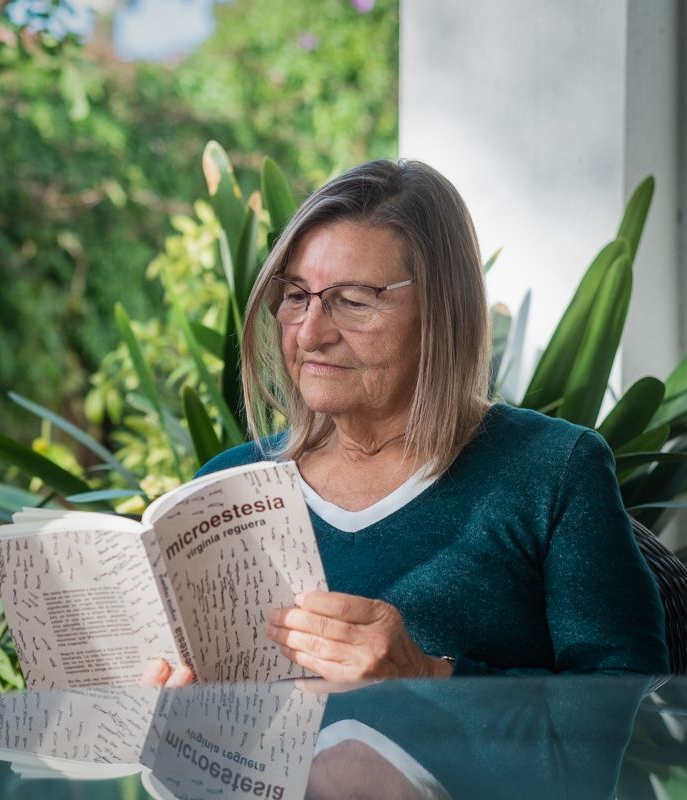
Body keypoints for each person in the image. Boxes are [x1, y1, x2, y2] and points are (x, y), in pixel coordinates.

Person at [144, 159, 668, 687]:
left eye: (351, 301)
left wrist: (428, 677)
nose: (308, 335)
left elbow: (630, 703)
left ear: (442, 312)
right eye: (297, 296)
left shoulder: (554, 470)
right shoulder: (223, 488)